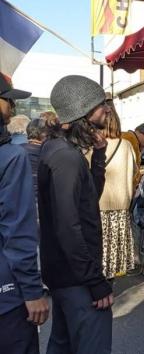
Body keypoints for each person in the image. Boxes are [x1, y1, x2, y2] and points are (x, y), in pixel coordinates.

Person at [38, 75, 113, 354]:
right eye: (101, 104)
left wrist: (99, 155)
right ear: (84, 110)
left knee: (64, 344)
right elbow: (68, 226)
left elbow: (88, 197)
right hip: (76, 279)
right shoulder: (65, 157)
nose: (107, 109)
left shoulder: (63, 150)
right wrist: (95, 281)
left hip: (68, 275)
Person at [0, 75, 49, 354]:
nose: (13, 106)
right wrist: (32, 291)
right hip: (7, 299)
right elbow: (17, 230)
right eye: (8, 100)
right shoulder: (10, 157)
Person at [98, 101, 137, 279]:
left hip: (96, 206)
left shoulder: (90, 145)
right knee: (113, 260)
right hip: (120, 208)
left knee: (96, 254)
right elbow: (134, 172)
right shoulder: (126, 146)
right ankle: (108, 287)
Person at [21, 118, 52, 205]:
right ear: (44, 134)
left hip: (20, 199)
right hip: (42, 201)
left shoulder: (17, 150)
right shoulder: (49, 152)